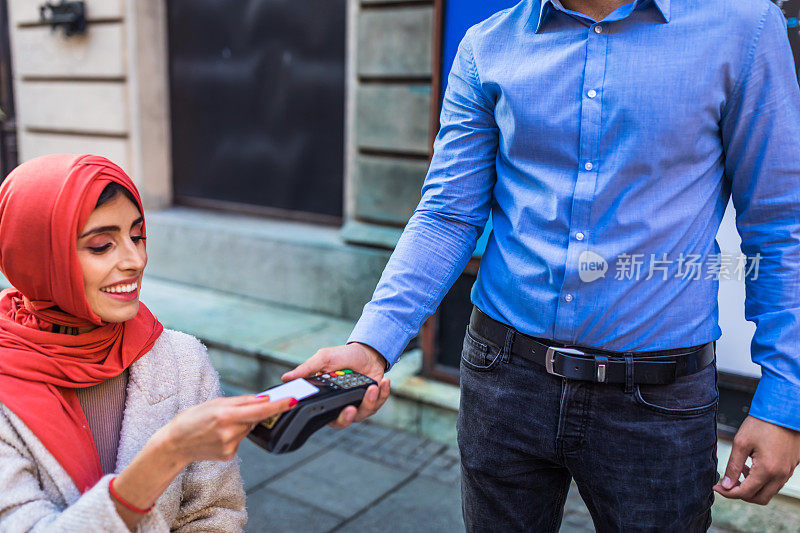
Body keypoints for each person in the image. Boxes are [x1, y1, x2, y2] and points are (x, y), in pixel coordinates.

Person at [284, 0, 800, 530]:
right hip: (502, 377)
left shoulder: (743, 27)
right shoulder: (488, 45)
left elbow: (782, 224)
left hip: (657, 399)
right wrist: (371, 343)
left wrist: (785, 399)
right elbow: (447, 215)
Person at [0, 154, 297, 531]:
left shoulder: (181, 360)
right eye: (102, 245)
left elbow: (215, 515)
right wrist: (166, 454)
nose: (135, 259)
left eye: (137, 235)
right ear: (38, 257)